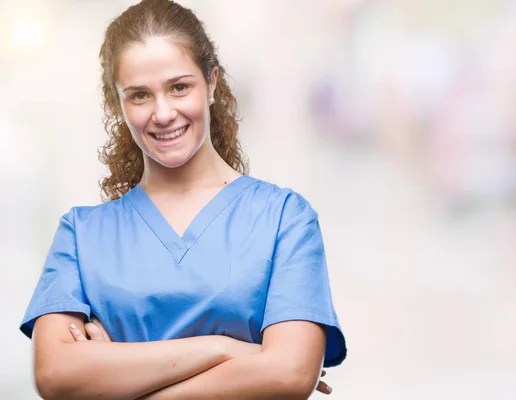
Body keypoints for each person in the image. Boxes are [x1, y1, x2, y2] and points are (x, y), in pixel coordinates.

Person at [19, 0, 347, 398]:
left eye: (179, 87)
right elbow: (55, 375)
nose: (162, 112)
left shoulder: (283, 218)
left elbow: (289, 374)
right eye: (139, 95)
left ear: (211, 83)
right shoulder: (81, 234)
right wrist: (226, 350)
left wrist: (120, 379)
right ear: (117, 104)